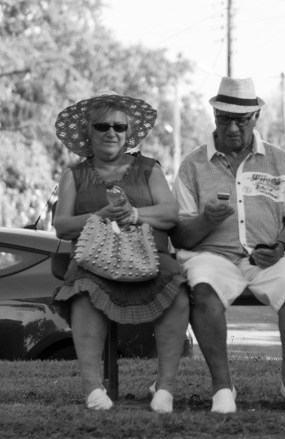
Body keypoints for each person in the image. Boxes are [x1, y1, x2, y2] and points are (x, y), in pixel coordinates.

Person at [170, 77, 285, 415]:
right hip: (212, 255)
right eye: (224, 119)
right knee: (203, 290)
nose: (232, 127)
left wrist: (280, 246)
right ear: (215, 117)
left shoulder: (280, 162)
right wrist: (206, 221)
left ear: (255, 118)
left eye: (241, 119)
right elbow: (179, 236)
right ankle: (223, 387)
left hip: (268, 255)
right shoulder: (192, 165)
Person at [52, 90, 189, 413]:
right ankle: (93, 388)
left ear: (129, 133)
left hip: (149, 259)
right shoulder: (73, 175)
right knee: (83, 291)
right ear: (89, 131)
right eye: (102, 126)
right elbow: (62, 226)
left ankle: (165, 388)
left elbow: (170, 215)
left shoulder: (149, 168)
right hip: (93, 262)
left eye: (119, 126)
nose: (112, 132)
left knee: (178, 292)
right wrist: (99, 216)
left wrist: (135, 214)